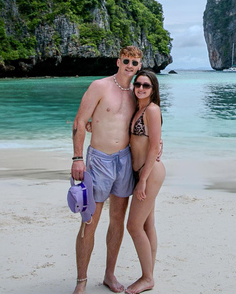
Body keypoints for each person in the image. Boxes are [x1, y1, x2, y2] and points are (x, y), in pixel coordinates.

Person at [71, 46, 142, 294]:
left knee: (117, 221)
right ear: (118, 62)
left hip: (124, 160)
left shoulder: (137, 92)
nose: (130, 66)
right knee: (89, 221)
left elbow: (146, 122)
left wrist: (159, 142)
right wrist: (78, 158)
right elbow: (80, 122)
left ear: (139, 66)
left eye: (135, 63)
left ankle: (109, 275)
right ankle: (81, 281)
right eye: (126, 61)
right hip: (98, 160)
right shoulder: (100, 86)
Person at [125, 70, 166, 294]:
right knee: (147, 224)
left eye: (146, 86)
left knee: (133, 226)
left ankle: (147, 278)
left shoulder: (152, 109)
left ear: (153, 90)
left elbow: (152, 148)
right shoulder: (138, 108)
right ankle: (149, 272)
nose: (140, 88)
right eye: (138, 84)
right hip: (140, 172)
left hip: (149, 173)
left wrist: (142, 180)